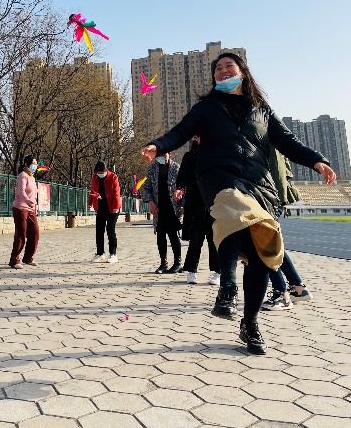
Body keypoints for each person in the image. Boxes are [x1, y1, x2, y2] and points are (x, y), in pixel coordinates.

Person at [140, 53, 335, 355]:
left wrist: (316, 161)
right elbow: (180, 131)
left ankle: (250, 324)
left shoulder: (262, 110)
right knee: (235, 206)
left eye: (228, 66)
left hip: (259, 183)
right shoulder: (206, 108)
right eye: (217, 68)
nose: (222, 71)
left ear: (242, 72)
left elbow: (288, 141)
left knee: (260, 253)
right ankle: (228, 287)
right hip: (218, 177)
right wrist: (157, 145)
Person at [262, 148, 313, 310]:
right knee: (273, 246)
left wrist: (276, 199)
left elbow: (276, 166)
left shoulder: (266, 135)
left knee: (265, 245)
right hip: (269, 196)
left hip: (269, 198)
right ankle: (298, 289)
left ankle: (281, 295)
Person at [173, 137, 220, 285]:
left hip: (213, 201)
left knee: (214, 239)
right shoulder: (189, 156)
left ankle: (217, 272)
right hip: (195, 202)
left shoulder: (216, 154)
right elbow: (182, 176)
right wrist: (180, 189)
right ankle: (191, 271)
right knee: (195, 239)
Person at [142, 152, 183, 273]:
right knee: (160, 234)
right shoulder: (152, 169)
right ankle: (163, 263)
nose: (161, 158)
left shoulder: (176, 168)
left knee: (173, 234)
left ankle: (178, 262)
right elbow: (147, 188)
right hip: (158, 207)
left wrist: (183, 206)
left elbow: (183, 187)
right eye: (158, 156)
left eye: (163, 156)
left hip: (173, 206)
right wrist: (150, 202)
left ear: (169, 154)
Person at [9, 155, 40, 269]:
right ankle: (14, 260)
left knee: (35, 232)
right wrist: (28, 201)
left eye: (36, 164)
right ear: (26, 164)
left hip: (31, 209)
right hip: (20, 208)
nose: (35, 166)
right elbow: (21, 191)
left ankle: (28, 257)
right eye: (33, 163)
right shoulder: (23, 175)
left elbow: (34, 194)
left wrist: (35, 205)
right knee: (21, 234)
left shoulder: (32, 178)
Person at [89, 161, 122, 263]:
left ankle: (113, 254)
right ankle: (100, 253)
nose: (100, 174)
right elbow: (93, 191)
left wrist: (116, 206)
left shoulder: (113, 177)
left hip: (112, 207)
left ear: (106, 170)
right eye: (98, 172)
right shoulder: (95, 178)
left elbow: (116, 192)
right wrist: (90, 202)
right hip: (100, 207)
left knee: (110, 229)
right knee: (99, 230)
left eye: (101, 172)